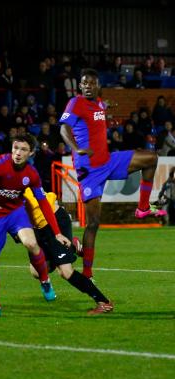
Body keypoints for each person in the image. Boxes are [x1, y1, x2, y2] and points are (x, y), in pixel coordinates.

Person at [0, 155, 113, 315]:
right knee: (36, 272)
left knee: (65, 272)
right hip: (36, 228)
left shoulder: (13, 180)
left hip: (52, 221)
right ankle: (71, 247)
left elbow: (24, 197)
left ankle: (104, 302)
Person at [59, 68, 166, 279]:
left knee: (151, 158)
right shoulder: (75, 103)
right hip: (89, 169)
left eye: (92, 83)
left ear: (98, 86)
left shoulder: (99, 103)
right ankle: (88, 273)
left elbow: (99, 111)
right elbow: (63, 129)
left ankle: (143, 208)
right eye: (84, 83)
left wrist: (107, 110)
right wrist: (76, 147)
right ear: (80, 86)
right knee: (93, 223)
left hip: (108, 161)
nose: (88, 86)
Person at [0, 134, 71, 318]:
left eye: (23, 149)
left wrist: (57, 232)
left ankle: (45, 280)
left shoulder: (31, 174)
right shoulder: (0, 164)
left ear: (31, 152)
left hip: (15, 212)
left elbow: (42, 203)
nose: (17, 153)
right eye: (15, 148)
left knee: (31, 243)